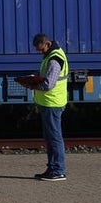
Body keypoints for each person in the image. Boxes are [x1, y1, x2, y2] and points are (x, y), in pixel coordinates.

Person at [30, 32, 68, 181]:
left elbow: (48, 84)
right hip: (49, 102)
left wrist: (32, 84)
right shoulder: (51, 54)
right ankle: (52, 168)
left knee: (54, 137)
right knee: (50, 137)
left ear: (47, 43)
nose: (40, 52)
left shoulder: (54, 59)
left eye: (41, 49)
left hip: (52, 102)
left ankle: (58, 170)